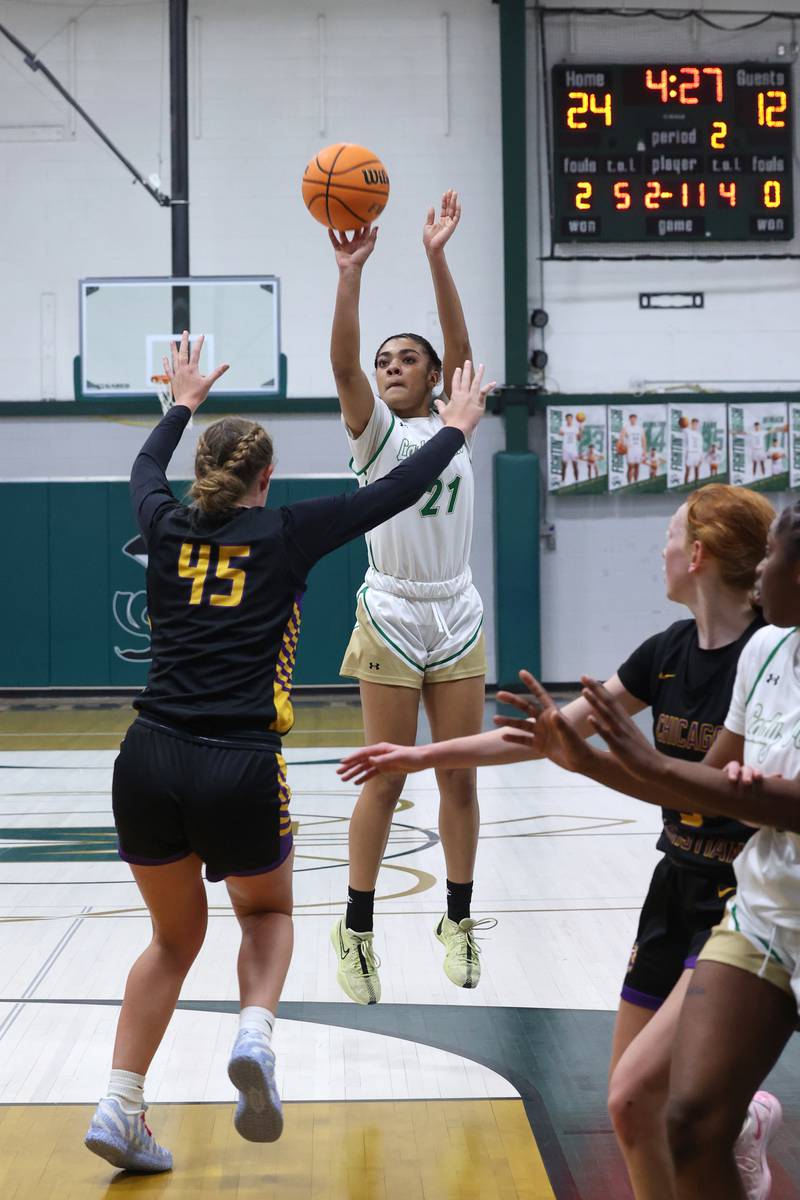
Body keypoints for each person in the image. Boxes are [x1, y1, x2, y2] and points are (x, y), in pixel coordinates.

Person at [83, 332, 490, 1173]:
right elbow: (400, 488)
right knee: (265, 915)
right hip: (237, 762)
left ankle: (121, 1103)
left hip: (147, 757)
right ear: (266, 479)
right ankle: (256, 1038)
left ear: (204, 472)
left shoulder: (160, 523)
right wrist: (455, 427)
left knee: (169, 940)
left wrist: (182, 403)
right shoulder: (288, 533)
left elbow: (141, 473)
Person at [339, 484, 779, 1200]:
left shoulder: (768, 661)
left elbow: (685, 783)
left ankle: (737, 1121)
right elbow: (547, 735)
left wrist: (612, 761)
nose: (660, 550)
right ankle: (744, 1120)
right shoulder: (664, 654)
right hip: (676, 886)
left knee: (642, 1097)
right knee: (631, 1108)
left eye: (670, 536)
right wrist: (422, 754)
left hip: (746, 901)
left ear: (696, 554)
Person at [516, 498, 800, 1200]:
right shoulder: (766, 653)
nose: (764, 565)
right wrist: (588, 761)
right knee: (645, 1102)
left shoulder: (746, 641)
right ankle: (739, 1127)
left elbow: (717, 789)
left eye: (780, 551)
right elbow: (710, 789)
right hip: (763, 910)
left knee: (684, 1109)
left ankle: (748, 1123)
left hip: (733, 886)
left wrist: (648, 764)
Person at [326, 190, 494, 1005]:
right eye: (386, 360)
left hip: (456, 610)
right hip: (391, 609)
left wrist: (435, 257)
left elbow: (462, 345)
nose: (391, 367)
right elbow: (342, 366)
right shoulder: (375, 436)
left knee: (459, 777)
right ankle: (356, 930)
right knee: (386, 780)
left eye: (407, 360)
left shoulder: (457, 420)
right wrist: (350, 276)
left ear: (436, 379)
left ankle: (457, 920)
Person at [621, 412, 646, 484]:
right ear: (629, 419)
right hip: (630, 449)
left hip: (638, 449)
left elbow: (643, 439)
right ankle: (629, 483)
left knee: (637, 466)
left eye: (634, 419)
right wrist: (625, 445)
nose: (633, 420)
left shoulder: (640, 428)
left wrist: (644, 450)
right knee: (630, 466)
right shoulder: (626, 428)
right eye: (631, 419)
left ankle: (636, 482)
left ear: (636, 419)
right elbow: (621, 438)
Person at [560, 412, 581, 482]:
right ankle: (562, 481)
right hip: (565, 449)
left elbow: (579, 438)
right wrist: (562, 430)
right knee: (563, 466)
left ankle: (577, 481)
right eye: (568, 419)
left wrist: (580, 431)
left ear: (572, 419)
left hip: (573, 449)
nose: (569, 420)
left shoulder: (575, 428)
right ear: (566, 420)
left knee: (575, 465)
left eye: (570, 419)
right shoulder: (563, 427)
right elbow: (560, 433)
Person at [683, 417, 703, 485]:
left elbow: (700, 446)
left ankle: (696, 483)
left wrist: (701, 456)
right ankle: (685, 484)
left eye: (697, 424)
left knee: (697, 469)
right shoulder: (687, 431)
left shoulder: (699, 435)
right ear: (691, 424)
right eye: (694, 424)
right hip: (690, 453)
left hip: (697, 453)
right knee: (688, 470)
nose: (695, 425)